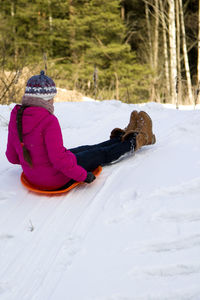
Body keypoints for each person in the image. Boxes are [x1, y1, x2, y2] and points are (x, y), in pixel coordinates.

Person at [6, 71, 156, 191]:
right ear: (46, 99)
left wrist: (35, 163)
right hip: (55, 180)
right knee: (99, 154)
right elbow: (58, 160)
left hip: (34, 176)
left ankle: (120, 139)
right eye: (52, 98)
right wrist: (83, 176)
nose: (53, 101)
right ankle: (138, 138)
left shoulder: (16, 115)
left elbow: (12, 156)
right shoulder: (48, 120)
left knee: (86, 149)